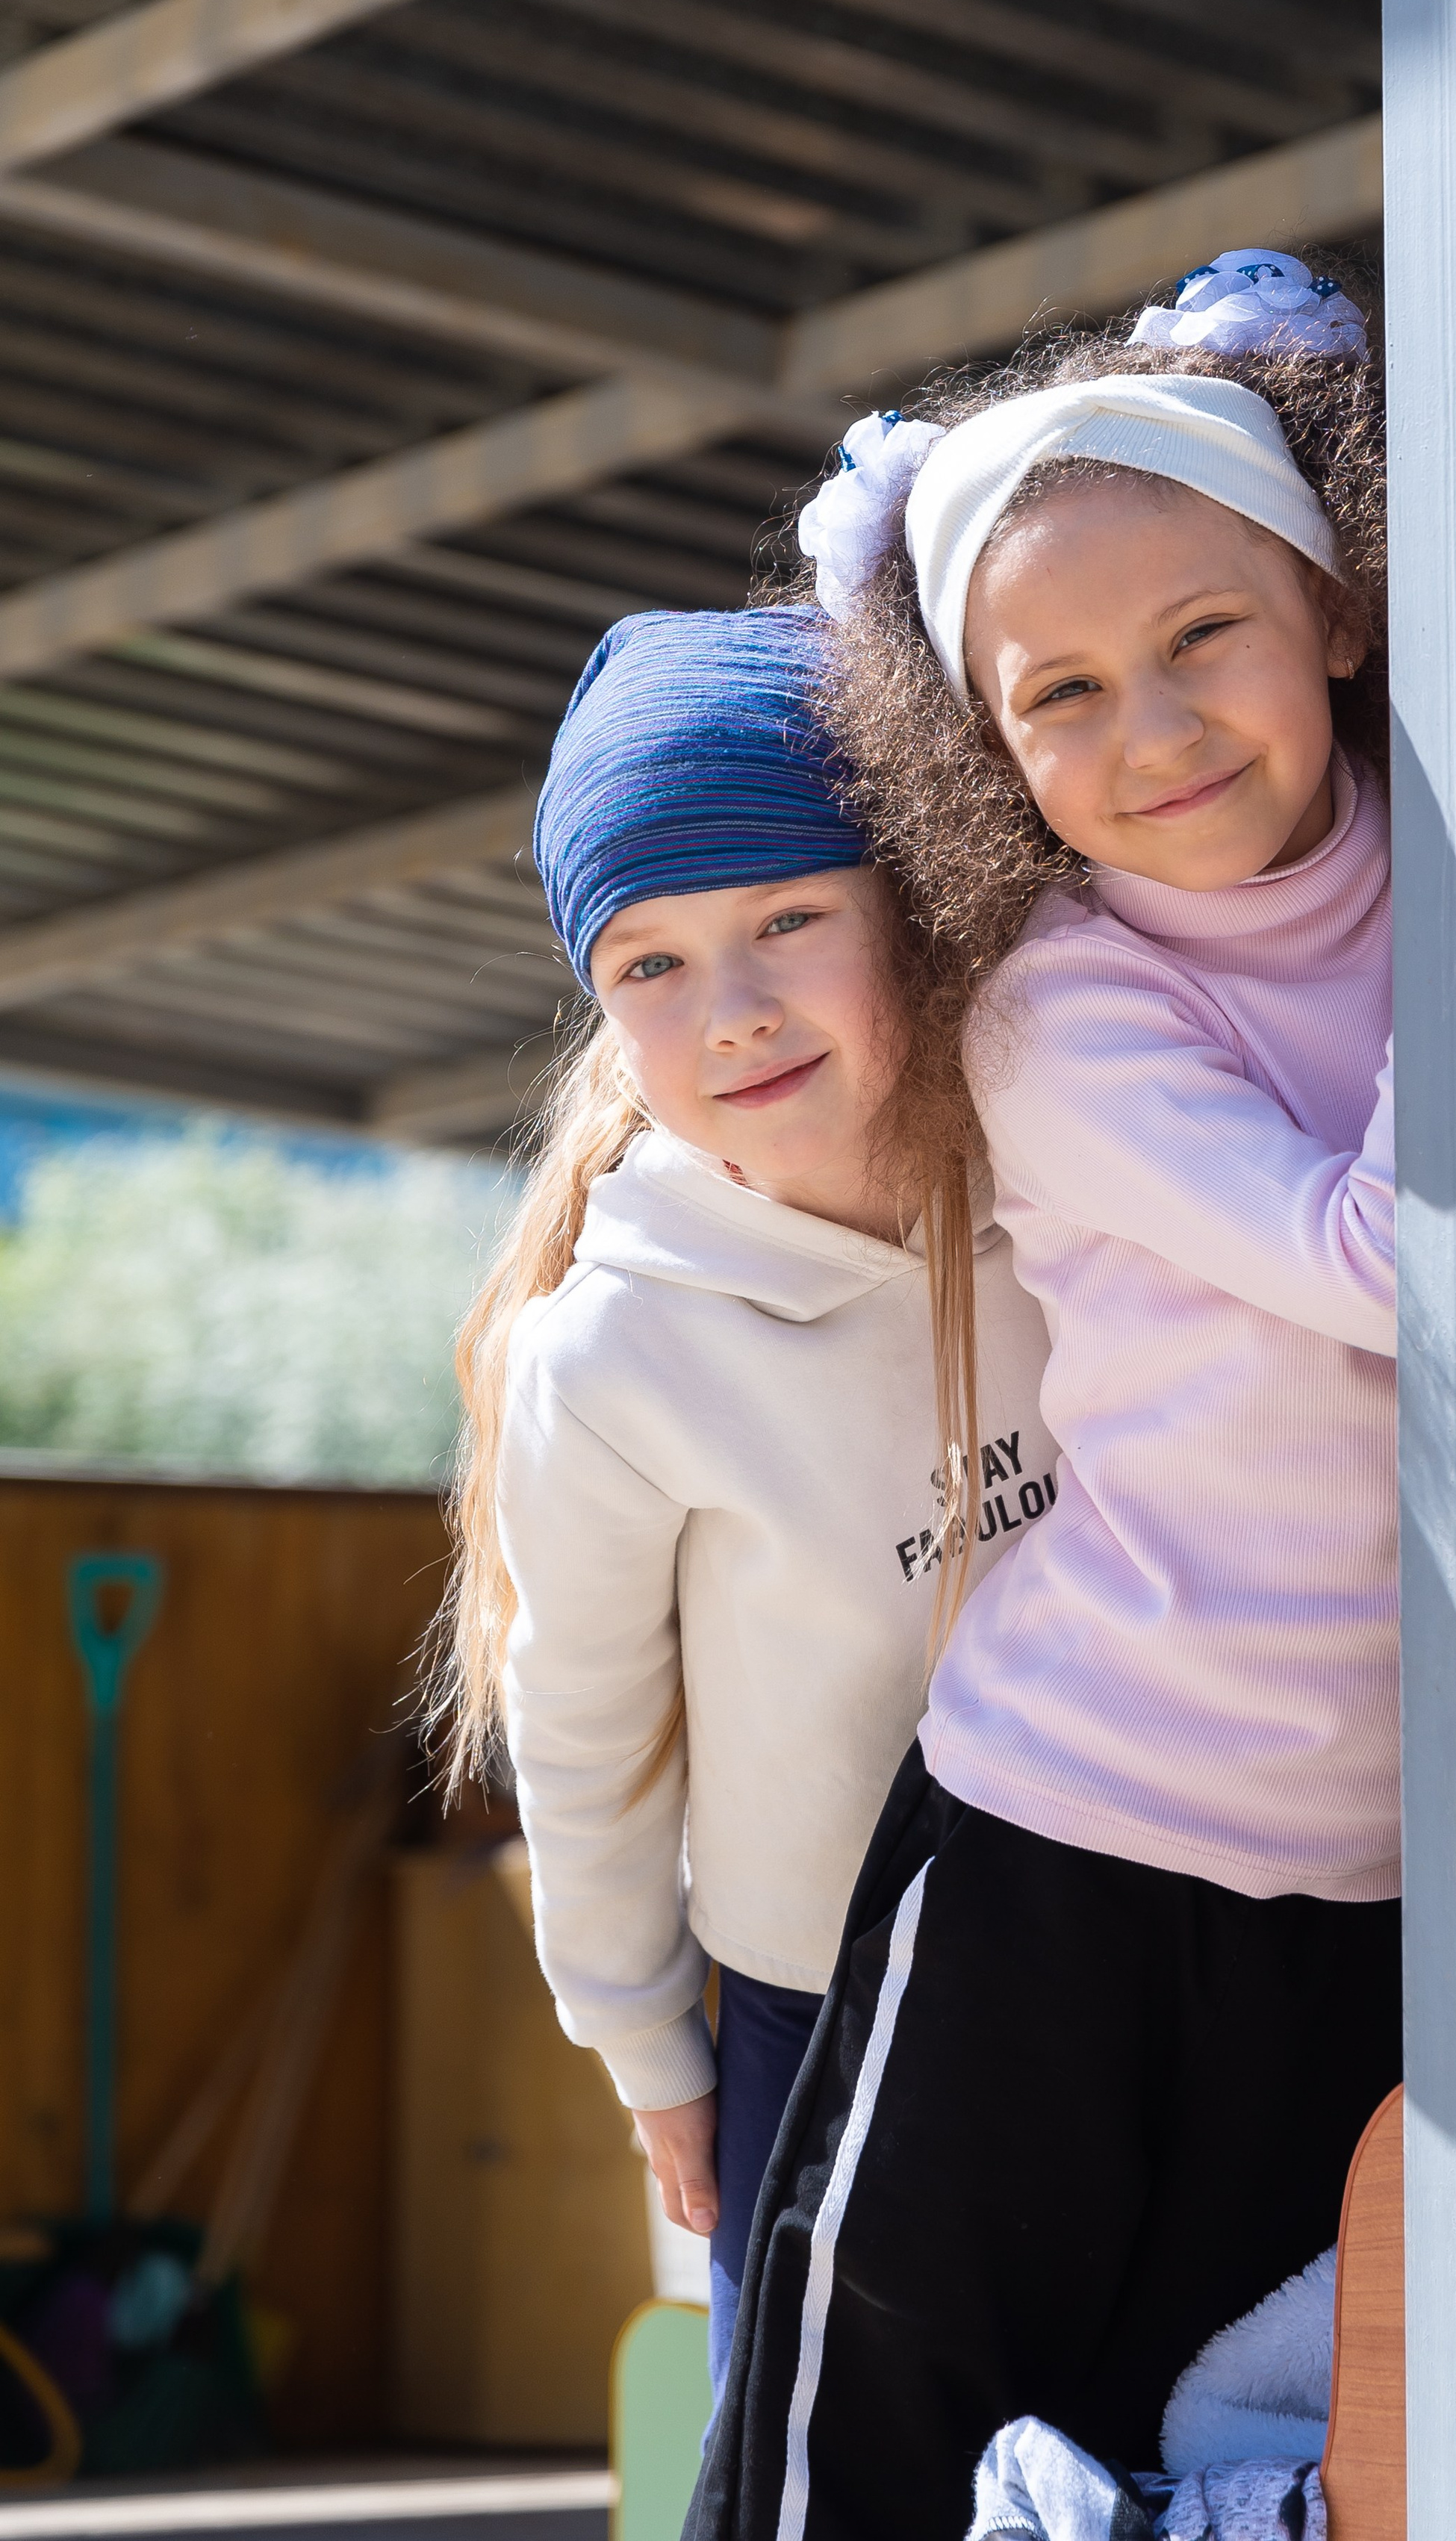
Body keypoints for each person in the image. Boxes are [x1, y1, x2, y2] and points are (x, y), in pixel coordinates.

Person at [688, 256, 1400, 2541]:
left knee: (1226, 2453)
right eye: (1060, 695)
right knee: (870, 2448)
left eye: (1204, 635)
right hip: (1065, 1851)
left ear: (1336, 612)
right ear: (987, 754)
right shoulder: (1068, 1009)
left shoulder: (1438, 883)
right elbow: (1391, 1265)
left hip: (1383, 1877)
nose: (1152, 728)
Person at [427, 606, 1057, 2404]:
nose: (735, 1010)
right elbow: (586, 1724)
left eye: (789, 919)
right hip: (812, 2001)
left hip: (1126, 1936)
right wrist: (649, 2046)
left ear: (914, 906)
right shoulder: (614, 1353)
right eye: (651, 962)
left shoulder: (1080, 1176)